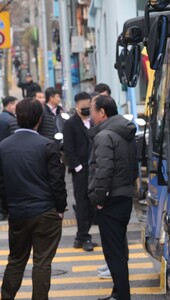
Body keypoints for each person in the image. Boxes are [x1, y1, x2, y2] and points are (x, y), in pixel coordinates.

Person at [0, 98, 67, 300]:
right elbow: (57, 181)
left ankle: (7, 296)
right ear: (39, 119)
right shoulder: (47, 145)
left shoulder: (4, 147)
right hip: (45, 211)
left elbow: (1, 183)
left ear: (17, 117)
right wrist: (60, 207)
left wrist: (7, 208)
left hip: (18, 212)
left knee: (16, 260)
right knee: (42, 263)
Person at [88, 95, 137, 300]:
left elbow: (103, 171)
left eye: (92, 110)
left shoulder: (104, 136)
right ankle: (118, 292)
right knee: (118, 249)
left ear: (101, 112)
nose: (90, 115)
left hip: (111, 200)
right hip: (124, 196)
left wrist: (99, 199)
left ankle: (122, 295)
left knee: (113, 252)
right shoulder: (125, 132)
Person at [63, 92, 95, 251]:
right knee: (82, 204)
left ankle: (81, 237)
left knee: (91, 204)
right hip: (80, 170)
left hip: (94, 169)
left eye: (89, 107)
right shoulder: (70, 124)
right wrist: (78, 167)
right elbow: (68, 149)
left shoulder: (93, 121)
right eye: (84, 108)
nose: (87, 110)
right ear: (76, 107)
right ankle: (83, 237)